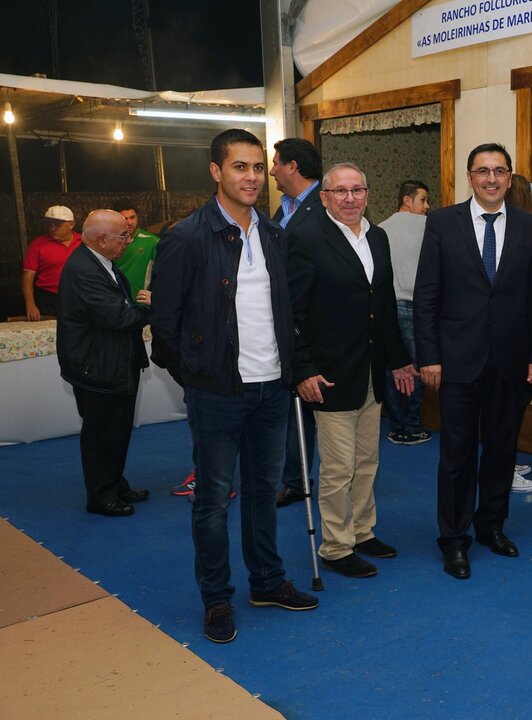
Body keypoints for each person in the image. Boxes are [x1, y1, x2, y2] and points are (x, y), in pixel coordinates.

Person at [151, 128, 318, 644]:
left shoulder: (273, 235)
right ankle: (217, 598)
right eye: (239, 167)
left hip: (272, 389)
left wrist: (288, 371)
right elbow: (165, 328)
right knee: (213, 500)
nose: (251, 177)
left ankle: (266, 582)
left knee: (263, 494)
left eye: (257, 167)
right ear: (216, 171)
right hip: (217, 393)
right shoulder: (186, 237)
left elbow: (286, 313)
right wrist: (199, 379)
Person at [413, 142, 532, 580]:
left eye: (499, 171)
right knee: (456, 454)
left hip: (510, 360)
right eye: (483, 171)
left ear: (509, 178)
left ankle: (491, 525)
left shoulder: (528, 225)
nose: (491, 178)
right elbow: (427, 294)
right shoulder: (441, 222)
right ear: (469, 177)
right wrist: (429, 356)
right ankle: (454, 540)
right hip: (456, 360)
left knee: (501, 450)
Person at [289, 162, 417, 578]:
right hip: (329, 374)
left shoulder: (377, 237)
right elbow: (292, 313)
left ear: (367, 194)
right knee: (338, 467)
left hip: (371, 370)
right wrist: (302, 369)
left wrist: (399, 359)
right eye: (340, 191)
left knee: (367, 461)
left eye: (357, 190)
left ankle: (362, 531)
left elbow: (383, 305)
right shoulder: (306, 239)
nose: (349, 199)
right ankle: (335, 546)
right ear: (325, 197)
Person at [56, 209, 152, 516]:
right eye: (123, 236)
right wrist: (154, 309)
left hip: (111, 362)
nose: (128, 241)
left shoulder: (101, 263)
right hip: (98, 366)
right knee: (102, 435)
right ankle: (101, 496)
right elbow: (119, 317)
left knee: (117, 431)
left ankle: (114, 483)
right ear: (100, 239)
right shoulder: (84, 270)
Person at [269, 137, 323, 509]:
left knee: (322, 410)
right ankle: (296, 477)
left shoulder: (326, 204)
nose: (272, 171)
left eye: (275, 163)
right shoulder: (282, 209)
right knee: (295, 409)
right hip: (287, 322)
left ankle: (322, 478)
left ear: (292, 166)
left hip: (318, 324)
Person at [379, 179, 433, 447]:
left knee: (392, 369)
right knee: (417, 369)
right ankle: (410, 427)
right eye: (423, 200)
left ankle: (396, 425)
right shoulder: (428, 227)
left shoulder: (379, 229)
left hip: (387, 308)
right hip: (414, 308)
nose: (427, 206)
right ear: (407, 200)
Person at [502, 173, 532, 495]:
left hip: (519, 335)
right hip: (518, 337)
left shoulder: (527, 234)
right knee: (510, 409)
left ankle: (506, 461)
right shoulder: (522, 235)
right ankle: (504, 467)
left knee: (511, 407)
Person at [23, 206, 82, 320]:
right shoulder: (37, 244)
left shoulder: (84, 243)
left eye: (57, 225)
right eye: (49, 225)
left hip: (78, 296)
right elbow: (27, 277)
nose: (52, 228)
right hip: (48, 299)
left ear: (71, 224)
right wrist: (30, 304)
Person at [113, 202, 159, 303]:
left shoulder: (152, 242)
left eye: (132, 217)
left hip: (141, 303)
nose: (129, 222)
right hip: (115, 301)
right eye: (125, 218)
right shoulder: (110, 242)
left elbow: (164, 273)